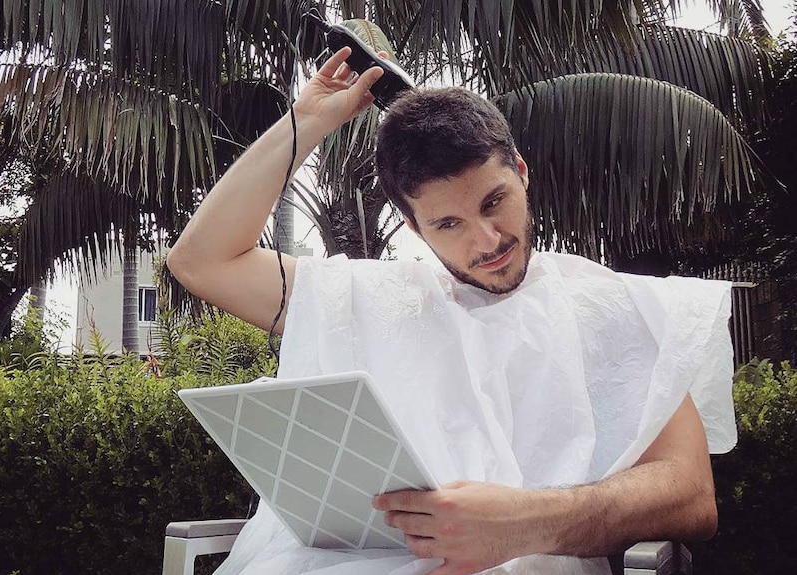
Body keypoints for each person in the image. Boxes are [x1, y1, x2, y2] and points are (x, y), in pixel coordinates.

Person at [166, 47, 736, 575]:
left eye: (494, 202)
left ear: (520, 170)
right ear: (413, 227)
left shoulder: (612, 303)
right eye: (448, 224)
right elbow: (201, 260)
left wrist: (520, 524)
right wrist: (309, 119)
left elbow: (690, 495)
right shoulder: (357, 297)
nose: (487, 240)